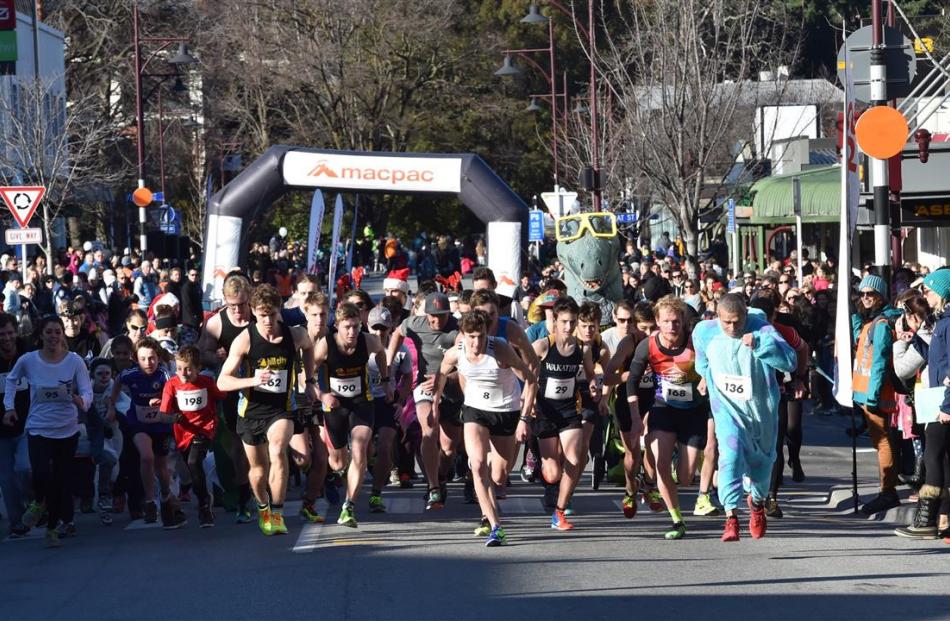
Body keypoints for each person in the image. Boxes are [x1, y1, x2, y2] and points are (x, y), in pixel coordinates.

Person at [693, 294, 796, 541]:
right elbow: (702, 362)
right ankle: (731, 516)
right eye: (726, 322)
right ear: (717, 316)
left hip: (762, 411)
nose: (732, 328)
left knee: (763, 464)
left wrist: (761, 344)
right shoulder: (704, 332)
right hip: (727, 408)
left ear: (746, 316)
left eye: (737, 322)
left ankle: (757, 504)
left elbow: (790, 361)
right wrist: (705, 378)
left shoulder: (762, 328)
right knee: (730, 454)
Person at [217, 284, 317, 536]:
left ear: (279, 311)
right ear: (253, 313)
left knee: (277, 451)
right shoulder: (245, 340)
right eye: (262, 315)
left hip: (280, 410)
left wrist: (311, 380)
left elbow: (309, 346)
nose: (268, 321)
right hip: (251, 412)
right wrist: (253, 380)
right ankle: (263, 507)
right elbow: (222, 381)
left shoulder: (294, 335)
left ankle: (278, 513)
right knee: (258, 471)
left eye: (272, 314)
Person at [434, 310, 537, 546]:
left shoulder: (499, 348)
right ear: (463, 335)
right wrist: (435, 403)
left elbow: (530, 378)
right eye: (471, 336)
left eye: (480, 336)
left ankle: (491, 505)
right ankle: (495, 525)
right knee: (478, 465)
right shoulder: (456, 352)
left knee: (499, 477)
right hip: (475, 410)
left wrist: (524, 418)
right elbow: (441, 371)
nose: (476, 342)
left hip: (505, 412)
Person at [3, 316, 93, 547]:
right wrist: (9, 407)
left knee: (61, 481)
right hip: (38, 429)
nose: (53, 336)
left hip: (67, 429)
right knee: (41, 475)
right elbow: (12, 380)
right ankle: (39, 502)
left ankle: (52, 528)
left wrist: (82, 401)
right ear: (41, 335)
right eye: (49, 332)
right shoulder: (29, 360)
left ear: (63, 335)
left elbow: (86, 390)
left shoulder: (74, 361)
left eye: (57, 332)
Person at [625, 296, 708, 540]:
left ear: (683, 321)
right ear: (658, 323)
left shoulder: (695, 342)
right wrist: (636, 418)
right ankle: (677, 520)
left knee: (685, 477)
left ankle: (679, 457)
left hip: (694, 412)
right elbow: (632, 381)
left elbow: (713, 364)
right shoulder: (648, 346)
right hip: (663, 407)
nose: (671, 327)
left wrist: (705, 377)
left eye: (676, 321)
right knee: (661, 464)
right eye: (666, 322)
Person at [312, 302, 390, 527]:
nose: (352, 332)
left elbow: (381, 353)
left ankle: (349, 507)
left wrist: (385, 381)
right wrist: (322, 395)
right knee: (338, 462)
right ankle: (334, 474)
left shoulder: (368, 340)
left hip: (361, 402)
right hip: (335, 405)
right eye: (347, 327)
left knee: (360, 448)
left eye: (356, 326)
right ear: (337, 326)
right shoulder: (326, 345)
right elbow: (306, 374)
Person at [386, 291, 461, 510]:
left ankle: (440, 476)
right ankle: (433, 487)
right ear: (425, 314)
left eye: (442, 316)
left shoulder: (457, 330)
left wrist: (444, 379)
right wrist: (389, 365)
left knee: (449, 448)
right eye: (433, 316)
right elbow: (397, 334)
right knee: (428, 429)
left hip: (452, 387)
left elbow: (465, 363)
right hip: (425, 386)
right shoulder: (414, 323)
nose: (437, 321)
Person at [531, 298, 598, 530]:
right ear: (556, 322)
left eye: (572, 322)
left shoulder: (582, 348)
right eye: (564, 322)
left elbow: (589, 374)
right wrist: (527, 398)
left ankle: (559, 513)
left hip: (569, 410)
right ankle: (536, 456)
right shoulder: (542, 346)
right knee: (552, 474)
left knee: (576, 457)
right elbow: (523, 371)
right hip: (545, 411)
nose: (568, 327)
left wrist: (592, 384)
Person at [108, 337, 187, 529]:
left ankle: (166, 494)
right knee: (146, 457)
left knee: (161, 466)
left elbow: (176, 394)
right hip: (139, 423)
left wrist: (162, 402)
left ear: (158, 358)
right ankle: (150, 501)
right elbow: (117, 384)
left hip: (160, 424)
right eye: (143, 359)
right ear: (136, 358)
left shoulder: (164, 375)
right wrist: (111, 405)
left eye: (151, 358)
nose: (148, 363)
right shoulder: (130, 374)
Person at [896, 271, 950, 541]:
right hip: (939, 399)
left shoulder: (949, 322)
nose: (925, 297)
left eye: (929, 291)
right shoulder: (941, 321)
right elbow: (936, 358)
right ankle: (942, 518)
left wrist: (948, 406)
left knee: (932, 458)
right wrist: (913, 338)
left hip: (945, 403)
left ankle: (926, 519)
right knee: (942, 460)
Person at [197, 274, 254, 522]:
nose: (239, 310)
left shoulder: (261, 315)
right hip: (232, 391)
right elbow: (201, 354)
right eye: (233, 305)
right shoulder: (216, 323)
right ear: (225, 301)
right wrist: (216, 356)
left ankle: (263, 491)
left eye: (242, 304)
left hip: (262, 389)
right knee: (238, 445)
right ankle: (242, 497)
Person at [851, 274, 903, 515]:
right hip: (866, 393)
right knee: (880, 441)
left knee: (883, 442)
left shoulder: (881, 324)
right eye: (862, 294)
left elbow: (880, 360)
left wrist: (871, 396)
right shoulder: (872, 321)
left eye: (870, 294)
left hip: (875, 394)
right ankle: (887, 489)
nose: (865, 298)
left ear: (881, 296)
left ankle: (888, 492)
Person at [160, 346, 226, 528]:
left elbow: (222, 394)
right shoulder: (171, 385)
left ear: (198, 367)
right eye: (179, 368)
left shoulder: (206, 382)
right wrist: (173, 417)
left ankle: (204, 506)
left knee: (193, 462)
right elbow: (164, 413)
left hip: (204, 429)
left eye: (188, 369)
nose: (183, 373)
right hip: (183, 433)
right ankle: (206, 496)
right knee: (191, 468)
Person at [366, 305, 412, 513]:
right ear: (367, 326)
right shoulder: (361, 346)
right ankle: (372, 463)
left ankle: (376, 494)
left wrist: (401, 403)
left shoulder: (400, 350)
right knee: (366, 449)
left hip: (387, 401)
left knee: (385, 446)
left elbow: (408, 377)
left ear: (390, 327)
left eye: (383, 328)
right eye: (375, 328)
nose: (379, 333)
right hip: (364, 402)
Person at [290, 291, 331, 523]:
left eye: (323, 314)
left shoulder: (332, 336)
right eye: (314, 314)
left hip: (321, 402)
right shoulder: (296, 336)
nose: (319, 319)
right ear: (305, 312)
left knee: (323, 458)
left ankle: (309, 502)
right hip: (296, 401)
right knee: (302, 459)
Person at [0, 312, 31, 537]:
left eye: (10, 333)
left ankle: (34, 504)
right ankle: (17, 521)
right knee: (6, 479)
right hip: (1, 431)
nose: (6, 338)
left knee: (24, 468)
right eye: (1, 335)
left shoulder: (27, 355)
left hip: (27, 425)